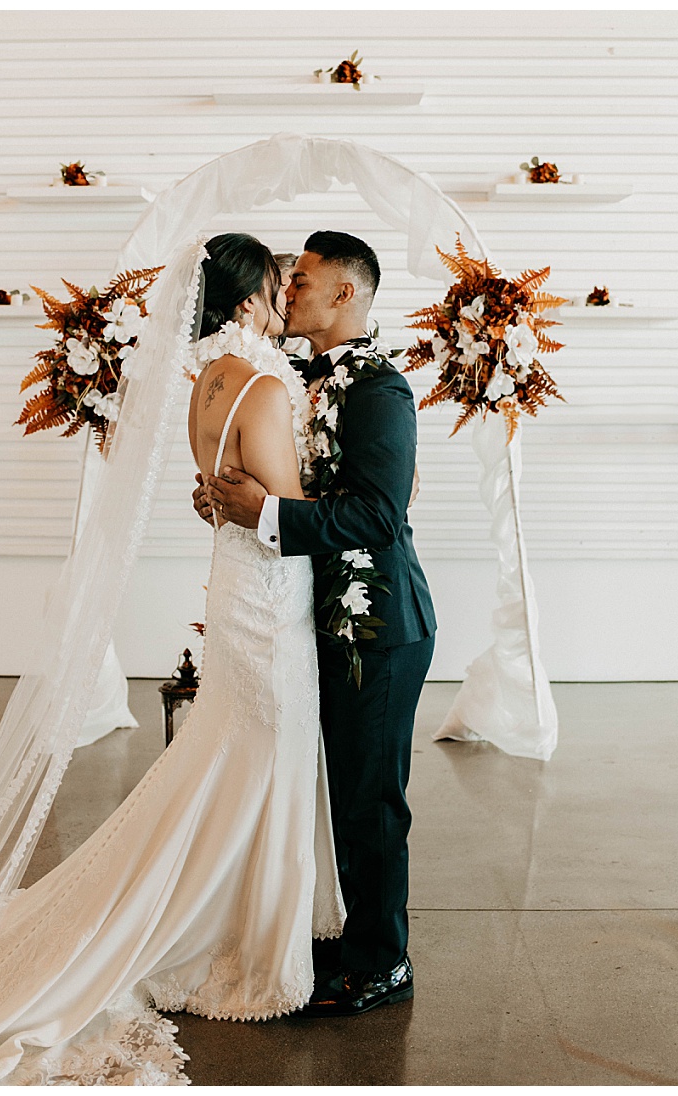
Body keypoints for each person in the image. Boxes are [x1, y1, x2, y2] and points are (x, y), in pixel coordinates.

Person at [0, 233, 344, 1084]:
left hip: (231, 584)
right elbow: (290, 513)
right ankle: (239, 936)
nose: (291, 293)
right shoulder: (268, 386)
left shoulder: (205, 383)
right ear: (250, 299)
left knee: (229, 750)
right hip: (270, 596)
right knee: (268, 749)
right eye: (281, 283)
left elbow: (224, 493)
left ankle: (222, 901)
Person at [197, 230, 436, 1017]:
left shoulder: (380, 390)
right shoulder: (288, 375)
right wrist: (228, 505)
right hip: (305, 617)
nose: (287, 289)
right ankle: (334, 927)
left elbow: (376, 512)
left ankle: (381, 962)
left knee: (371, 800)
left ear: (345, 296)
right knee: (325, 784)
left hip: (378, 625)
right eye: (286, 279)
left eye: (302, 280)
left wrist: (267, 515)